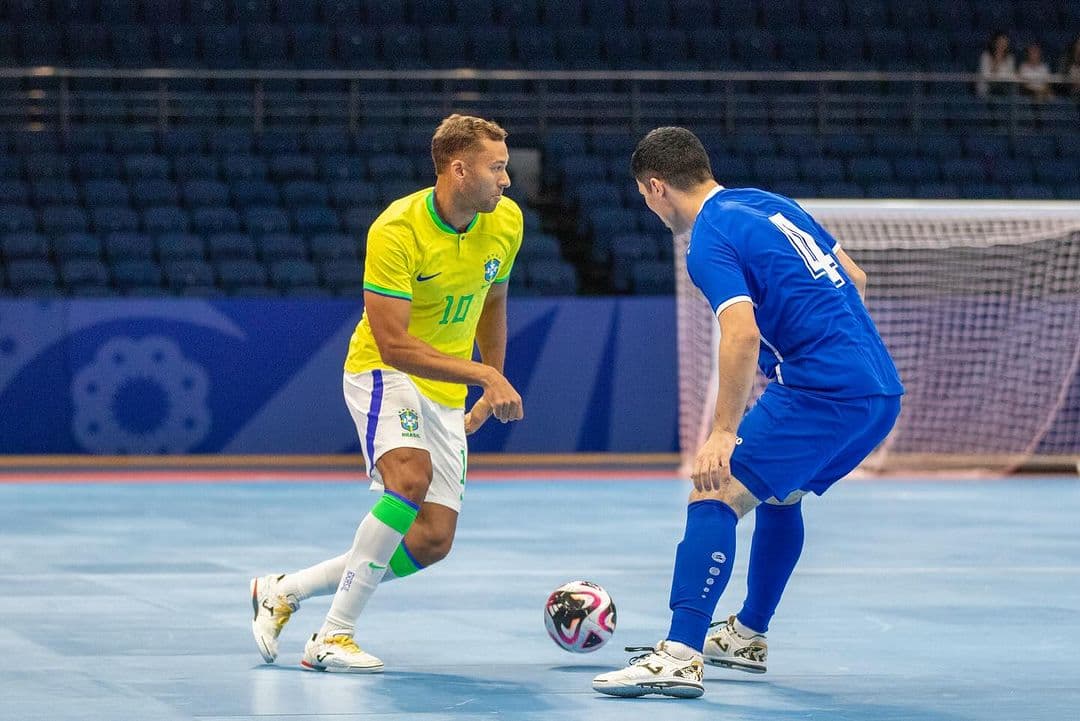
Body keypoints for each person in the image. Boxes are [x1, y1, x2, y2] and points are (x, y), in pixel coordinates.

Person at [592, 127, 904, 698]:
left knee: (715, 492)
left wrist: (722, 433)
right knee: (779, 495)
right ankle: (747, 635)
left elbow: (741, 334)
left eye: (644, 194)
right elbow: (854, 278)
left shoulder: (707, 238)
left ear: (656, 187)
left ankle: (681, 653)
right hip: (879, 390)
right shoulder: (767, 202)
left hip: (821, 389)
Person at [249, 114, 525, 672]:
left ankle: (286, 589)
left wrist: (488, 381)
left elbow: (492, 302)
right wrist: (484, 376)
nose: (507, 180)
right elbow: (394, 344)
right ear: (458, 168)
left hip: (446, 388)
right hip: (382, 370)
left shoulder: (506, 222)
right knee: (408, 480)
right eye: (497, 168)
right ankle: (332, 637)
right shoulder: (397, 230)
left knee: (431, 540)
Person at [976, 31, 1016, 97]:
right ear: (995, 42)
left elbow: (1011, 76)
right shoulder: (986, 56)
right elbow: (986, 75)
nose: (1002, 45)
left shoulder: (1010, 58)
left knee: (1010, 89)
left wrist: (1001, 78)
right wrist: (996, 62)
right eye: (1000, 42)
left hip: (1004, 86)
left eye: (1004, 42)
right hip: (988, 87)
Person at [1059, 35, 1080, 101]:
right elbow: (1061, 75)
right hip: (1068, 88)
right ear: (1075, 45)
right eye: (1079, 44)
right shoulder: (1065, 59)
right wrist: (1071, 82)